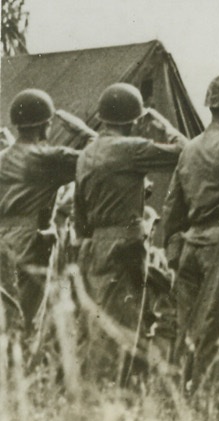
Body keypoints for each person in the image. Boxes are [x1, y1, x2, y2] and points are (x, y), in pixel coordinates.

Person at [75, 83, 187, 383]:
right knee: (124, 323)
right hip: (125, 245)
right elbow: (185, 153)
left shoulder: (87, 152)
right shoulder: (132, 149)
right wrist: (164, 127)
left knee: (98, 322)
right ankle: (114, 393)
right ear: (134, 119)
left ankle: (96, 389)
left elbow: (79, 213)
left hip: (94, 245)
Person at [162, 73, 219, 388]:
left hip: (190, 248)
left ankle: (176, 396)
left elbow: (172, 206)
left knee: (185, 328)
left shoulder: (190, 149)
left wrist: (173, 252)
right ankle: (211, 402)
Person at [0, 90, 80, 338]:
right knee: (28, 320)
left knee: (6, 314)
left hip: (3, 240)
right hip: (34, 240)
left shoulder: (2, 158)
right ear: (45, 124)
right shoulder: (50, 158)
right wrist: (80, 131)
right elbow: (103, 158)